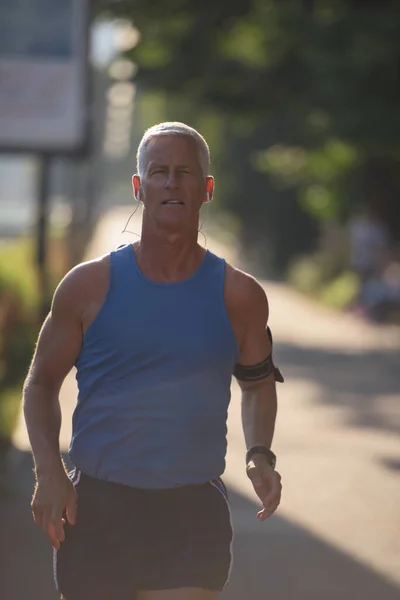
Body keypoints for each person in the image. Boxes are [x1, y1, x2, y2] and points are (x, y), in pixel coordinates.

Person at [23, 122, 284, 600]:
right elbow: (40, 384)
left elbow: (257, 381)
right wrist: (49, 473)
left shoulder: (240, 295)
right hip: (98, 508)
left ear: (206, 189)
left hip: (191, 512)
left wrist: (259, 453)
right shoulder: (87, 287)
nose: (172, 182)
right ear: (139, 187)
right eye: (159, 171)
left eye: (185, 172)